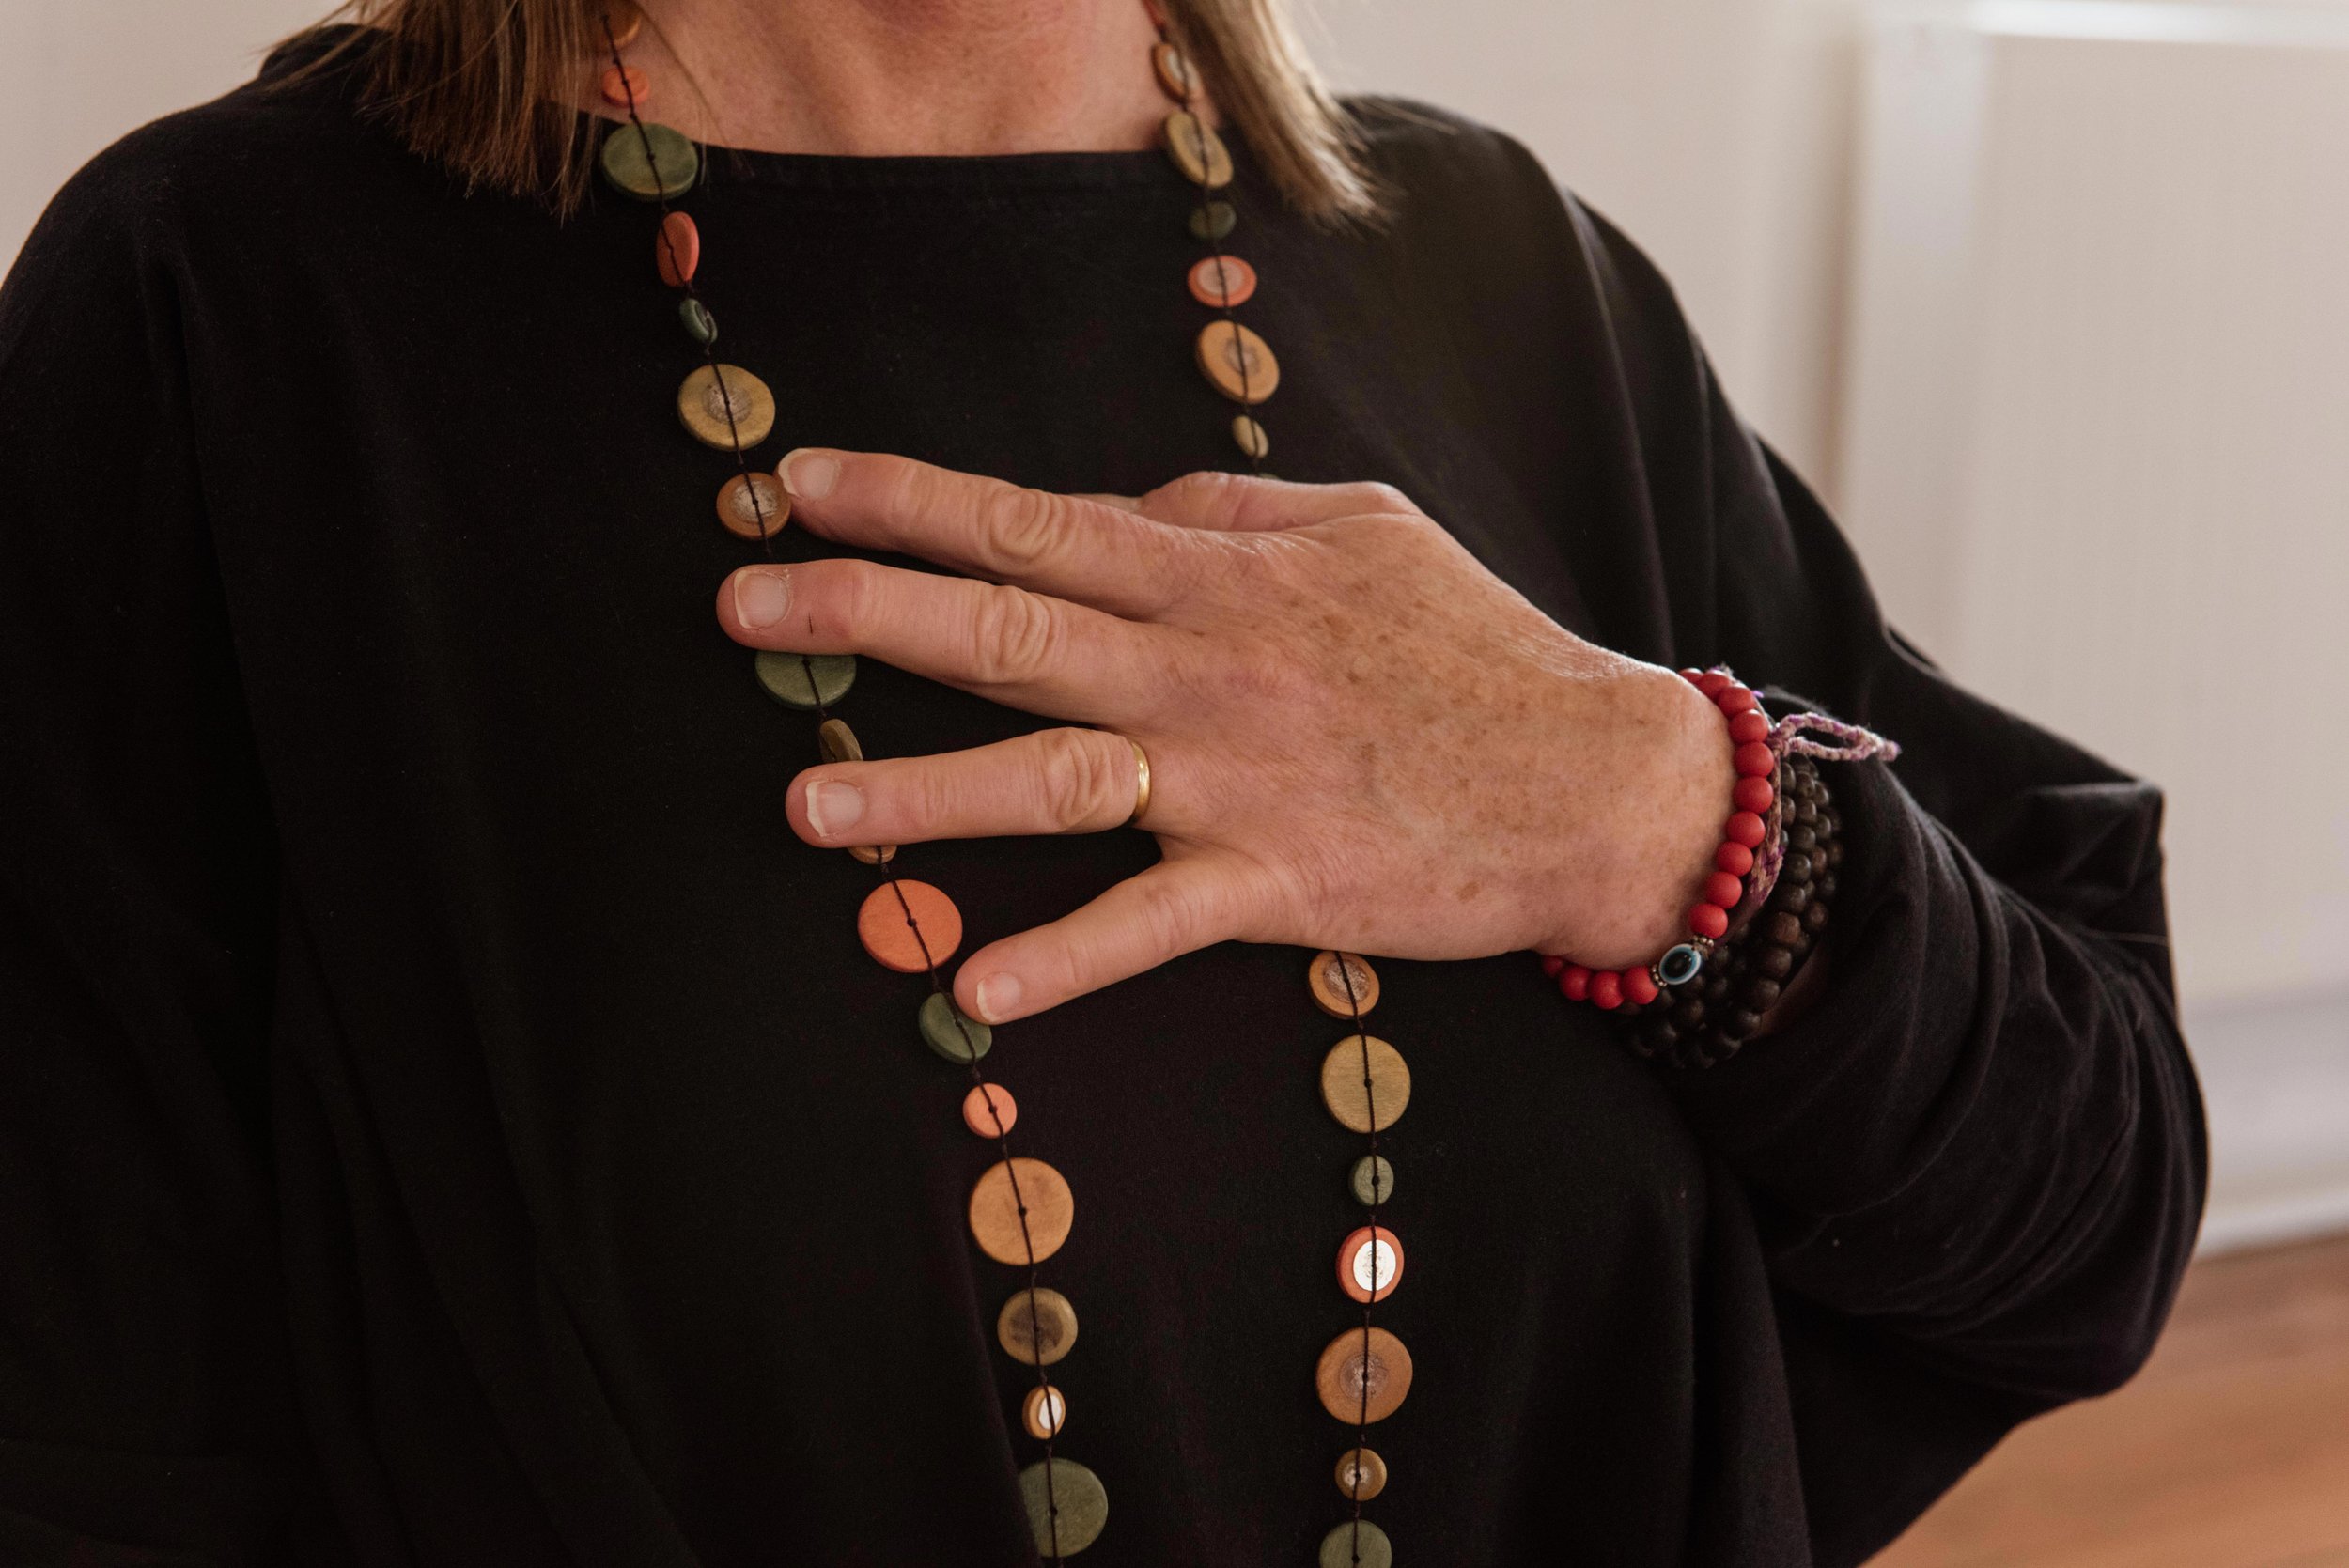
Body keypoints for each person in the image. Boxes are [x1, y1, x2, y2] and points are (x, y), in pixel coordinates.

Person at [0, 0, 2203, 1562]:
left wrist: (1639, 811)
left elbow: (2079, 1221)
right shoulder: (219, 315)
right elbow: (92, 1446)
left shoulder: (1509, 280)